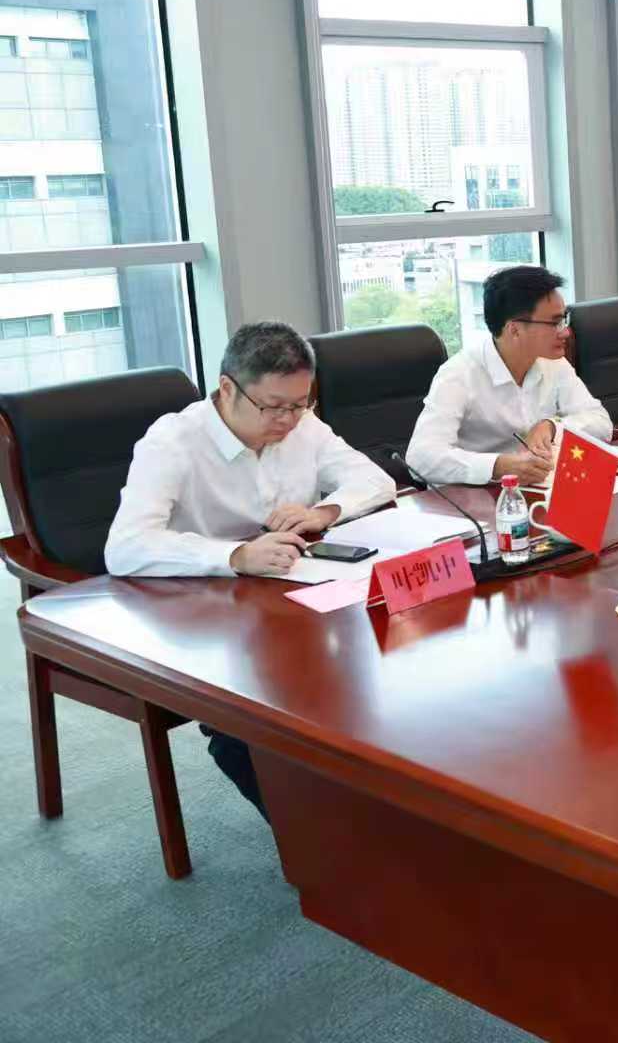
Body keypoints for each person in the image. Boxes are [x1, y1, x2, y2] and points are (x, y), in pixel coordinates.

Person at [104, 321, 399, 820]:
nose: (288, 420)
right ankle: (321, 843)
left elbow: (374, 480)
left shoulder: (303, 424)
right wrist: (234, 556)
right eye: (273, 407)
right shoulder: (174, 441)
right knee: (250, 730)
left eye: (300, 404)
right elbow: (125, 546)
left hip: (291, 603)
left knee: (370, 669)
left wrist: (324, 512)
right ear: (228, 388)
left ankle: (382, 810)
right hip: (204, 617)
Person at [407, 265, 612, 486]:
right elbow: (420, 459)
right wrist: (498, 466)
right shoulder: (459, 374)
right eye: (555, 323)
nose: (566, 332)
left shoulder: (553, 363)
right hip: (477, 496)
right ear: (514, 330)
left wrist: (551, 426)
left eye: (564, 319)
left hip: (537, 489)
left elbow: (601, 424)